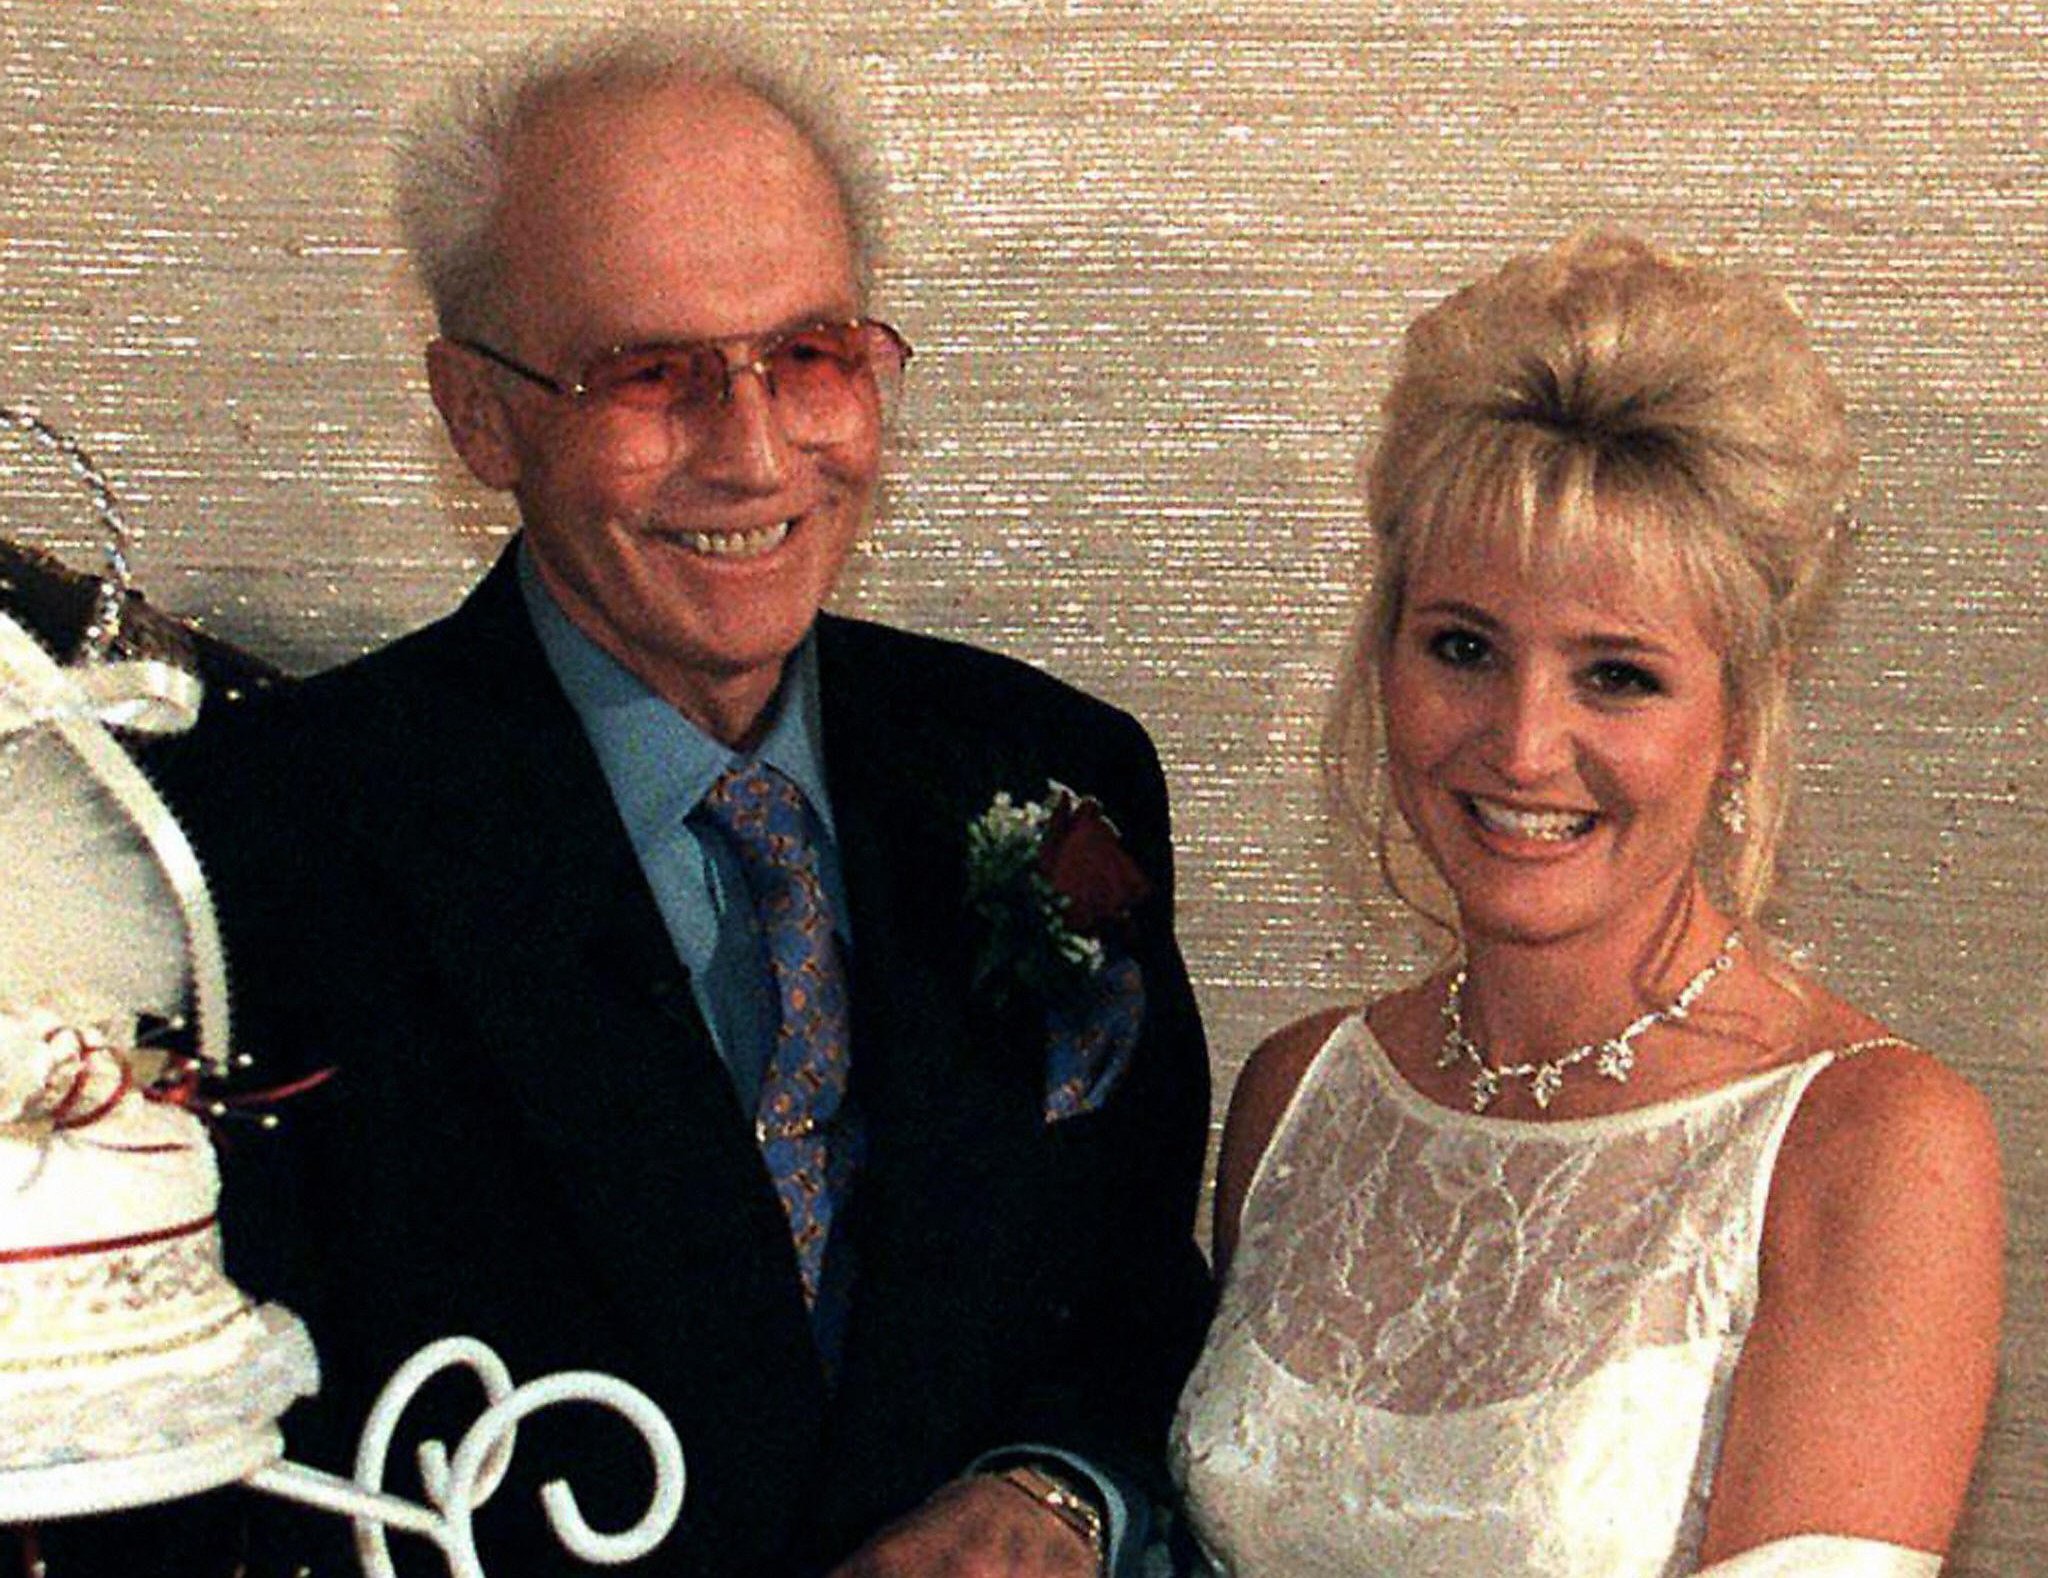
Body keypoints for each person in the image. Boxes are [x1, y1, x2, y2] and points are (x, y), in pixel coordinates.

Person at [120, 22, 1211, 1578]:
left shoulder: (1049, 774)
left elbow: (1131, 1298)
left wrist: (1053, 1489)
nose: (755, 452)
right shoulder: (250, 847)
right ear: (478, 413)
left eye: (812, 355)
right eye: (653, 376)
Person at [1170, 231, 2004, 1576]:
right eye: (1463, 648)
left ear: (1739, 711)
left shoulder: (1875, 1145)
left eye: (1615, 673)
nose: (1520, 743)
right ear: (1384, 653)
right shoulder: (1297, 1096)